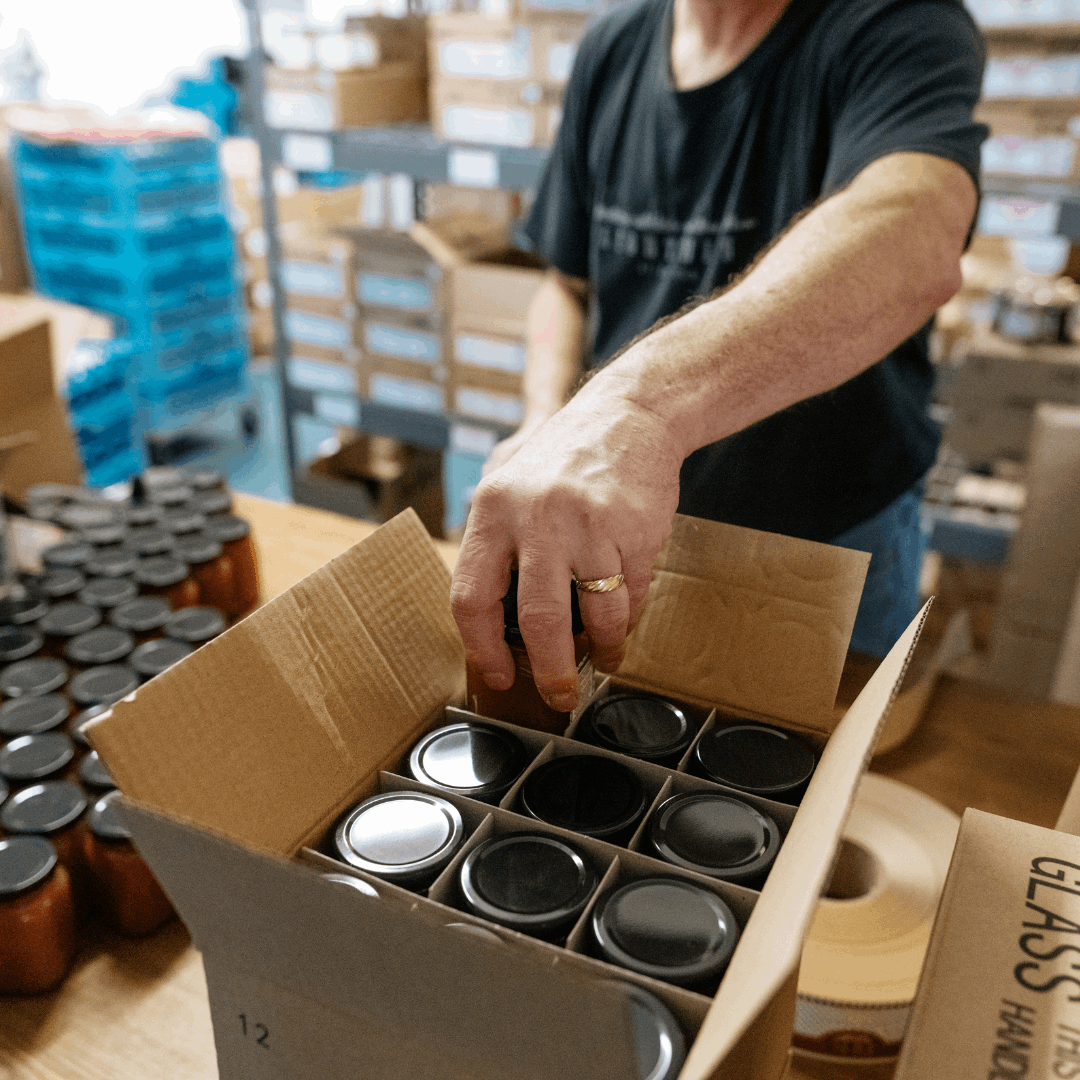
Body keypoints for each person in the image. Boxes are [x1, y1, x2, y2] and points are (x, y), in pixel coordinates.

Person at [450, 0, 987, 713]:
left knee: (802, 781)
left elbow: (913, 233)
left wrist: (634, 411)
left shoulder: (896, 23)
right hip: (631, 531)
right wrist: (547, 425)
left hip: (824, 539)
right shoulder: (613, 44)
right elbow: (565, 284)